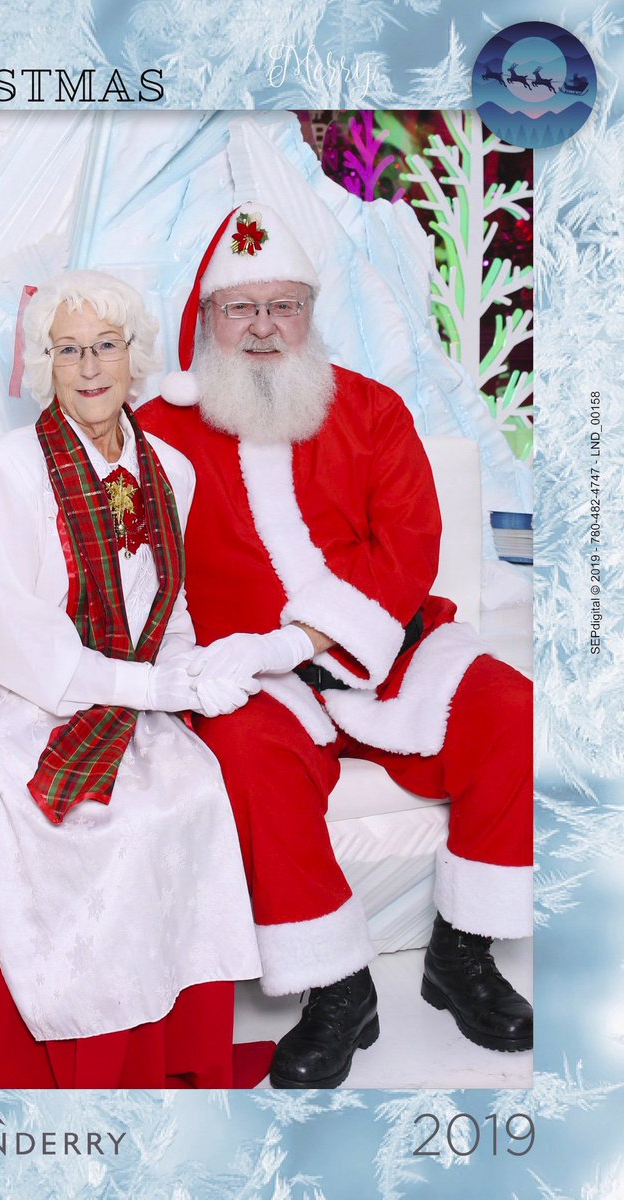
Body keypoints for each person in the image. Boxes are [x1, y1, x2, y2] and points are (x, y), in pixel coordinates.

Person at [139, 204, 533, 1089]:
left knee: (510, 707)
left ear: (311, 314)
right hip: (252, 675)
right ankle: (335, 986)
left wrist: (317, 632)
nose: (265, 327)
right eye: (241, 308)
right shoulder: (161, 430)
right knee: (242, 754)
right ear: (206, 321)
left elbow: (407, 547)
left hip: (386, 650)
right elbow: (138, 567)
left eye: (285, 305)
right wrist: (213, 659)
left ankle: (461, 955)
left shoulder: (371, 408)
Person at [0, 269, 275, 1089]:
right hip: (4, 695)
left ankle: (158, 1056)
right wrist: (163, 693)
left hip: (113, 690)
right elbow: (22, 649)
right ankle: (74, 1064)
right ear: (45, 365)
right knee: (90, 825)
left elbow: (169, 613)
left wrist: (199, 669)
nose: (89, 368)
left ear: (136, 356)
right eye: (68, 351)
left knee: (191, 792)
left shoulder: (173, 474)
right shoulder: (9, 467)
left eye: (105, 347)